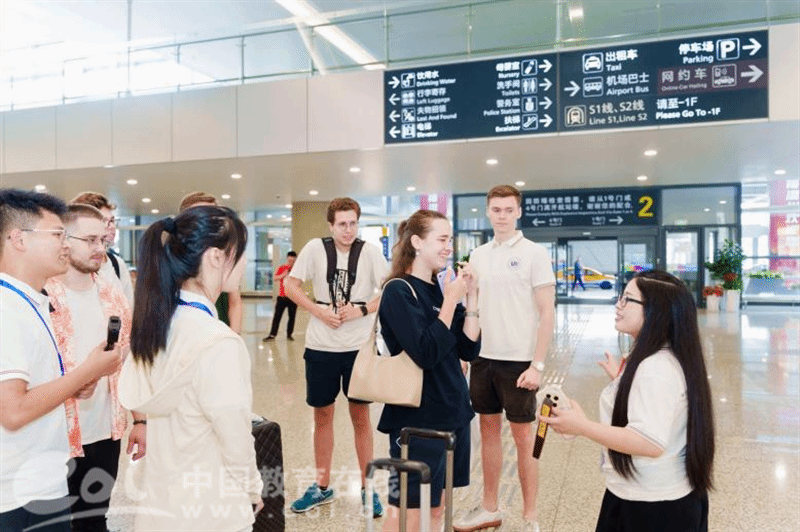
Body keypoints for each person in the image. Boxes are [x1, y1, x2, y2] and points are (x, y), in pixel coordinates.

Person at [118, 206, 263, 531]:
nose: (244, 263)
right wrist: (253, 489)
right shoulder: (219, 342)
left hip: (160, 507)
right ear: (216, 257)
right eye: (240, 253)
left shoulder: (157, 326)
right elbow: (235, 438)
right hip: (213, 510)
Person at [542, 270, 715, 532]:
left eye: (627, 299)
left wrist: (582, 426)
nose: (618, 305)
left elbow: (649, 442)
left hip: (651, 508)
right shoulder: (662, 356)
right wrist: (624, 382)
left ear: (656, 311)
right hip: (654, 496)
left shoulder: (656, 368)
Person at [0, 189, 122, 532]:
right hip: (17, 492)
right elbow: (12, 411)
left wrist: (75, 384)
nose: (65, 244)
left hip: (41, 480)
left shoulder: (30, 301)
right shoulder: (6, 309)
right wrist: (87, 371)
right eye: (56, 235)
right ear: (19, 239)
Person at [455, 185, 555, 532]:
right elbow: (473, 305)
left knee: (524, 439)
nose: (502, 216)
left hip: (519, 361)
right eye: (496, 210)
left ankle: (530, 517)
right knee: (488, 432)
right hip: (483, 358)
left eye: (508, 210)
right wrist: (465, 352)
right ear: (487, 212)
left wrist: (537, 365)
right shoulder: (479, 254)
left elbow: (547, 312)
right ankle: (490, 508)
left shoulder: (534, 253)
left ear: (519, 212)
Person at [377, 209, 481, 532]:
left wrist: (471, 298)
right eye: (442, 239)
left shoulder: (441, 289)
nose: (449, 247)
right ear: (417, 242)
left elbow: (468, 349)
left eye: (450, 240)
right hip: (416, 421)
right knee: (406, 511)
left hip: (454, 412)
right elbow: (425, 353)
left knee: (437, 509)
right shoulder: (398, 291)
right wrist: (450, 302)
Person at [44, 204, 145, 532]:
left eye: (102, 239)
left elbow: (129, 360)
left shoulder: (112, 296)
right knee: (52, 521)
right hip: (53, 434)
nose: (99, 248)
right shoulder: (42, 295)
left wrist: (140, 419)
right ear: (64, 240)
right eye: (89, 240)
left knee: (94, 519)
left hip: (104, 433)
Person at [285, 197, 388, 517]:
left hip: (358, 349)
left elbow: (389, 289)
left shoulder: (370, 252)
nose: (348, 230)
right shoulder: (315, 249)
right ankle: (322, 486)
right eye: (342, 224)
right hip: (321, 347)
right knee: (322, 416)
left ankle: (368, 488)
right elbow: (290, 285)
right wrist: (317, 310)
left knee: (361, 417)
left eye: (353, 223)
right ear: (330, 225)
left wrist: (361, 309)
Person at [179, 192, 244, 334]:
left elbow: (235, 302)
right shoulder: (177, 262)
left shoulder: (224, 255)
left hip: (220, 330)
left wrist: (233, 337)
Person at [71, 193, 134, 306]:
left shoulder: (117, 264)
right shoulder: (73, 266)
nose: (112, 227)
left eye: (112, 221)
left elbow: (130, 308)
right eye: (104, 221)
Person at [264, 250, 298, 341]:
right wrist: (283, 274)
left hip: (293, 297)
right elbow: (275, 278)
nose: (291, 262)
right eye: (290, 260)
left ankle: (289, 334)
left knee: (292, 317)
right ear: (287, 258)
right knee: (277, 316)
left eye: (293, 260)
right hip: (282, 297)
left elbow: (300, 281)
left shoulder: (297, 269)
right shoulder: (282, 267)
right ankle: (272, 334)